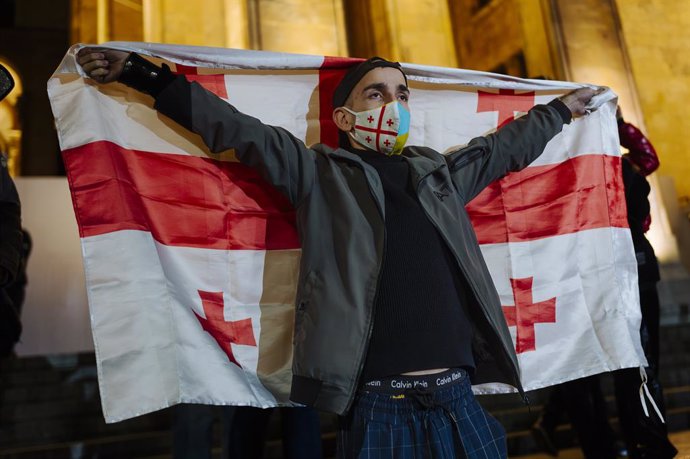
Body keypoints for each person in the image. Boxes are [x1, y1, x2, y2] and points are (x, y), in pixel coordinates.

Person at [77, 47, 597, 457]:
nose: (393, 105)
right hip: (378, 403)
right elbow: (237, 131)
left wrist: (562, 110)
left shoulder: (439, 176)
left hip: (458, 396)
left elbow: (501, 150)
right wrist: (145, 76)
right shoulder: (317, 175)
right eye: (376, 94)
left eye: (402, 93)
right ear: (345, 118)